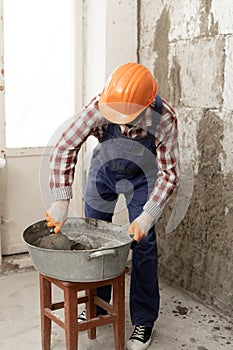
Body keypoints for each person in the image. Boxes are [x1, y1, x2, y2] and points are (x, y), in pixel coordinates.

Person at [46, 62, 179, 350]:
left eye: (128, 119)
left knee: (143, 244)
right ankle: (98, 305)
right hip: (104, 170)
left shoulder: (164, 118)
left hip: (144, 177)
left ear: (146, 106)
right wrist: (60, 198)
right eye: (115, 117)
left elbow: (169, 173)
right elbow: (66, 144)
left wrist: (148, 215)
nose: (120, 125)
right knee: (94, 241)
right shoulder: (99, 104)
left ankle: (143, 319)